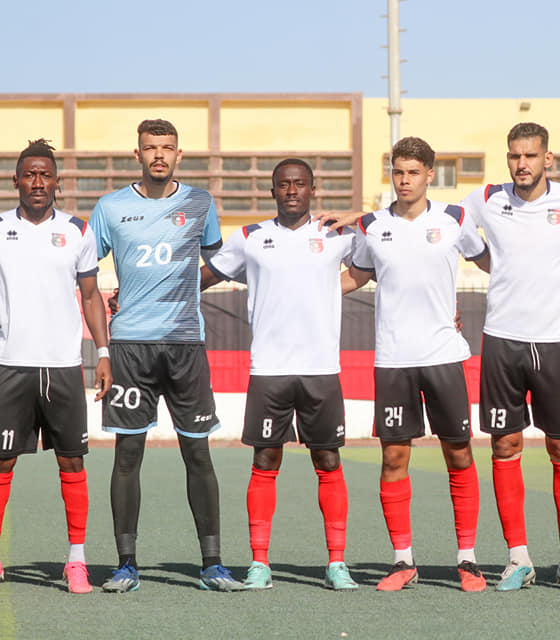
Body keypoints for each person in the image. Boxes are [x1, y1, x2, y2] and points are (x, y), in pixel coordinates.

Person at [459, 122, 560, 592]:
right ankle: (518, 559)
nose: (522, 164)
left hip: (555, 341)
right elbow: (446, 223)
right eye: (514, 155)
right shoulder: (486, 198)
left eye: (530, 155)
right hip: (501, 339)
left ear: (548, 158)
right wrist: (488, 260)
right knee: (505, 446)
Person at [89, 119, 244, 592]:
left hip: (185, 344)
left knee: (197, 452)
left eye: (167, 147)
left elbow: (219, 261)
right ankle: (125, 565)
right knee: (127, 453)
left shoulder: (200, 202)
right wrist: (104, 341)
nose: (159, 154)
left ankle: (213, 564)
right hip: (131, 346)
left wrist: (184, 287)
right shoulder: (110, 207)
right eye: (150, 147)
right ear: (137, 154)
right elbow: (84, 270)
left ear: (179, 154)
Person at [341, 137, 490, 592]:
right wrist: (301, 289)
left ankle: (467, 560)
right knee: (393, 457)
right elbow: (356, 275)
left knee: (459, 453)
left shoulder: (455, 219)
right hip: (393, 360)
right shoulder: (371, 226)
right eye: (397, 172)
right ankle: (402, 561)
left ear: (429, 174)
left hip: (444, 356)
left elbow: (493, 263)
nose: (403, 180)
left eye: (412, 172)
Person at [203, 159, 358, 591]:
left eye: (300, 184)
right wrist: (148, 295)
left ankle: (337, 563)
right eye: (284, 184)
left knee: (328, 461)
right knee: (265, 460)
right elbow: (206, 276)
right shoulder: (250, 237)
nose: (292, 190)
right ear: (273, 191)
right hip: (269, 369)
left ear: (313, 189)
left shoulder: (336, 235)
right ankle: (259, 563)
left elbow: (373, 267)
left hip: (320, 369)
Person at [0, 139, 112, 594]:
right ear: (16, 181)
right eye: (29, 174)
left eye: (45, 175)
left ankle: (76, 560)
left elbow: (91, 296)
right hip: (10, 365)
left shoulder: (78, 231)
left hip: (62, 366)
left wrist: (103, 353)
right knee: (2, 461)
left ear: (57, 183)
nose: (37, 182)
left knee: (71, 461)